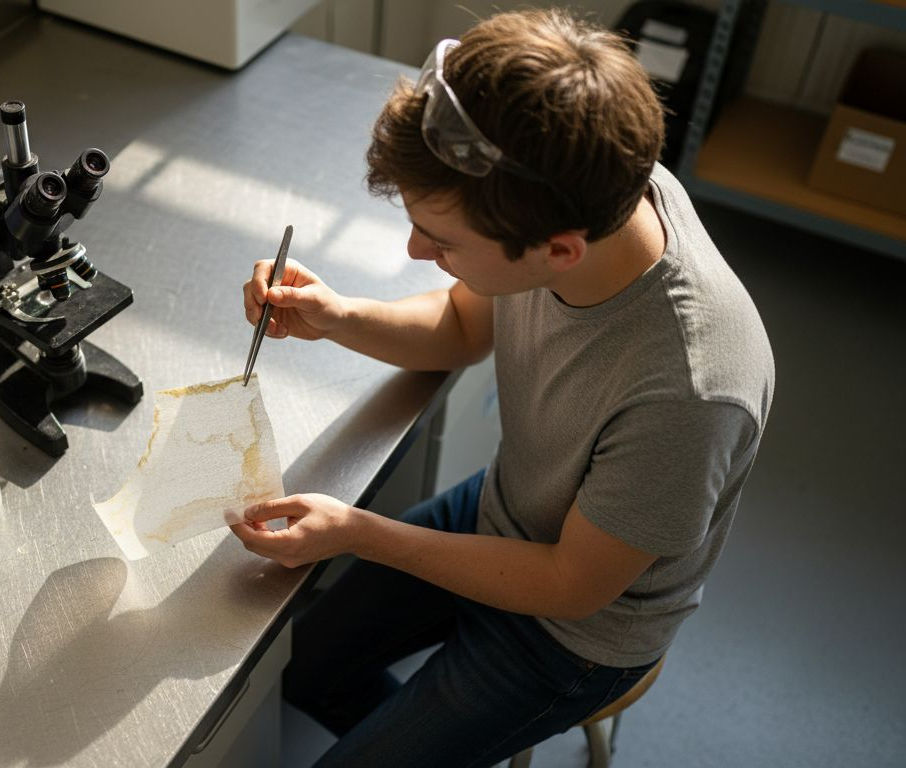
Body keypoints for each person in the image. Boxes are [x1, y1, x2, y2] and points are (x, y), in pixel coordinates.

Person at [232, 9, 775, 768]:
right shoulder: (587, 189)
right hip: (511, 508)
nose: (416, 250)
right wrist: (336, 316)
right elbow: (462, 325)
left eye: (443, 241)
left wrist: (360, 531)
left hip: (576, 633)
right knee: (303, 667)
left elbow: (569, 585)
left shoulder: (691, 389)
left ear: (558, 251)